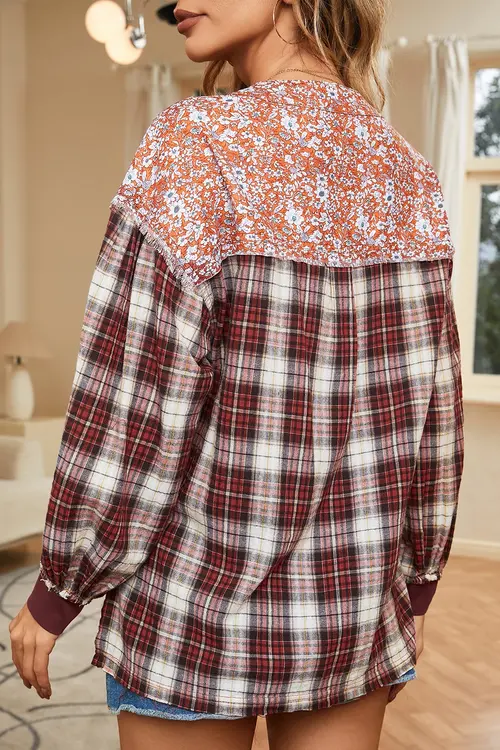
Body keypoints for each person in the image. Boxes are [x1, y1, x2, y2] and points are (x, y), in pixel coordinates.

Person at [9, 0, 465, 748]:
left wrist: (62, 583)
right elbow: (434, 419)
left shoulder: (195, 147)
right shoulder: (409, 174)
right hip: (352, 615)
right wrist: (418, 577)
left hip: (192, 620)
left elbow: (136, 407)